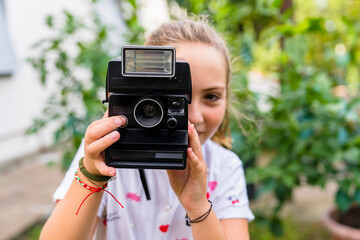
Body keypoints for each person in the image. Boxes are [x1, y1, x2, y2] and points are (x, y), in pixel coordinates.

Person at [40, 19, 254, 240]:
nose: (195, 116)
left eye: (211, 97)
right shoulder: (103, 158)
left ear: (227, 100)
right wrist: (92, 176)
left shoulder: (225, 167)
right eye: (176, 100)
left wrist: (199, 207)